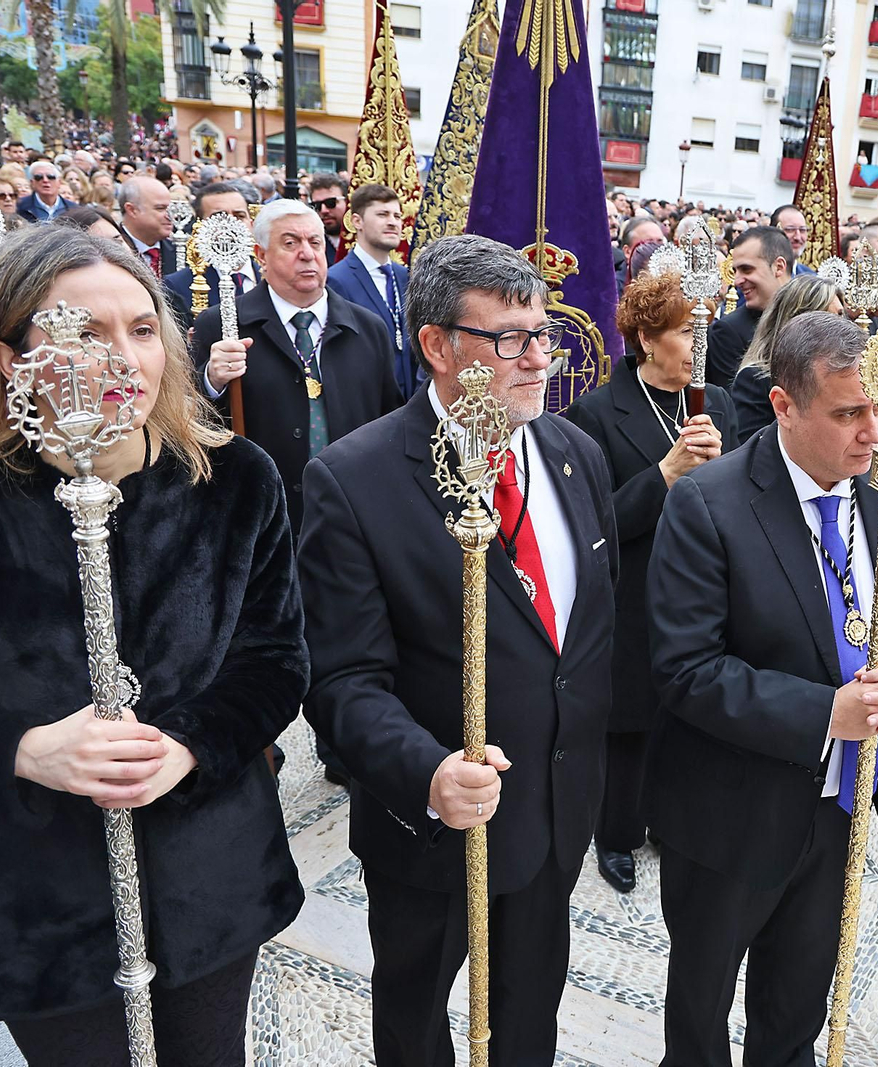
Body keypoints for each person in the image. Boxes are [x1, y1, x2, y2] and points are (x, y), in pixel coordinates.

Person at [0, 225, 306, 1065]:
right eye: (85, 332)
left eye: (143, 329)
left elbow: (274, 660)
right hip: (37, 897)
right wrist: (22, 748)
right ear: (11, 358)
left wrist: (190, 744)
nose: (125, 360)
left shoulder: (236, 479)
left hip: (210, 872)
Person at [300, 235, 618, 1066]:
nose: (537, 359)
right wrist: (428, 770)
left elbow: (587, 634)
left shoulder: (575, 454)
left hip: (553, 810)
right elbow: (341, 680)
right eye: (509, 338)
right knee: (415, 1019)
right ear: (438, 345)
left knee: (527, 1011)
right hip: (436, 827)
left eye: (542, 334)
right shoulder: (354, 480)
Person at [646, 311, 878, 1066]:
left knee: (795, 1012)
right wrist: (829, 711)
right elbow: (685, 668)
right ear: (784, 405)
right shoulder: (709, 503)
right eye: (848, 411)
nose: (871, 431)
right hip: (733, 808)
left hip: (844, 806)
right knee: (700, 1018)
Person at [564, 270, 732, 895]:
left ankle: (670, 818)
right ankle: (616, 834)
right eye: (688, 331)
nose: (698, 342)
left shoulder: (719, 403)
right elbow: (592, 519)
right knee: (631, 719)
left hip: (704, 588)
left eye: (703, 329)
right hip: (633, 589)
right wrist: (665, 472)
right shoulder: (598, 412)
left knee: (688, 718)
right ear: (646, 338)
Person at [193, 198, 401, 533]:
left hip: (352, 511)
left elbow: (389, 419)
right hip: (261, 514)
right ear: (261, 256)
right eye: (290, 243)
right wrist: (211, 380)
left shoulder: (368, 328)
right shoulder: (221, 326)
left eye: (314, 242)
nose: (306, 254)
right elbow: (193, 422)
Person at [729, 274, 846, 445]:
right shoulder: (755, 379)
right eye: (826, 321)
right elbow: (754, 449)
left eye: (840, 316)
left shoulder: (846, 376)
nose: (839, 329)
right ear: (795, 324)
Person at [326, 183, 415, 399]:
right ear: (357, 221)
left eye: (397, 215)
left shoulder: (405, 276)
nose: (393, 222)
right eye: (383, 214)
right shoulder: (336, 279)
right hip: (367, 404)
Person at [161, 182, 259, 327]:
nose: (230, 225)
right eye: (219, 217)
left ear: (251, 223)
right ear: (199, 227)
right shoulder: (176, 286)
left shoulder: (274, 278)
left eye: (239, 216)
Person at [706, 225, 792, 389]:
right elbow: (731, 406)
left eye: (747, 269)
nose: (737, 281)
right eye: (736, 270)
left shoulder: (815, 313)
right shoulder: (730, 331)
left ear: (778, 267)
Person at [116, 176, 178, 278]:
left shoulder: (180, 250)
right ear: (132, 210)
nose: (171, 215)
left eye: (171, 208)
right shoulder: (109, 251)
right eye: (160, 208)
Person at [308, 172, 349, 264]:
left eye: (331, 203)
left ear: (347, 201)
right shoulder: (309, 248)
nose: (324, 210)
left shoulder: (365, 241)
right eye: (317, 205)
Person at [771, 204, 816, 274]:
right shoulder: (761, 275)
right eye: (790, 230)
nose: (797, 237)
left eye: (802, 230)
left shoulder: (811, 277)